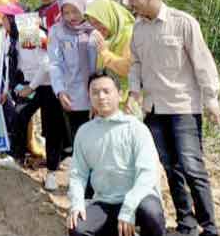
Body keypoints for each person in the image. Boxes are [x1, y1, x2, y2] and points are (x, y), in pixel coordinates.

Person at [123, 0, 220, 236]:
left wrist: (211, 99)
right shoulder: (138, 29)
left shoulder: (183, 23)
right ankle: (186, 224)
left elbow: (202, 62)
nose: (128, 2)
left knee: (192, 168)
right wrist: (133, 91)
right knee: (171, 168)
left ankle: (210, 228)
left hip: (183, 107)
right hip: (153, 109)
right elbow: (136, 64)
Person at [67, 72, 165, 236]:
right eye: (95, 92)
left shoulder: (136, 128)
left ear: (119, 95)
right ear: (89, 97)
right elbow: (78, 174)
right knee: (77, 227)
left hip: (138, 200)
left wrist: (129, 208)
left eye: (106, 91)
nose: (101, 97)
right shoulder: (84, 132)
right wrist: (77, 203)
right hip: (105, 202)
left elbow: (147, 174)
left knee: (151, 212)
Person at [0, 3, 64, 175]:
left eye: (5, 17)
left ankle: (52, 171)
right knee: (19, 115)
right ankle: (16, 157)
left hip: (48, 85)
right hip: (29, 83)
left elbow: (46, 64)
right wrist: (6, 91)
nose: (2, 20)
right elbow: (11, 64)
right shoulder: (10, 38)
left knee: (51, 128)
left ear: (14, 20)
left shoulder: (31, 32)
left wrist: (31, 88)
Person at [48, 0, 98, 191]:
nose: (71, 17)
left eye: (75, 11)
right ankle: (84, 189)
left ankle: (99, 187)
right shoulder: (57, 31)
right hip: (73, 96)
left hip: (100, 95)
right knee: (80, 142)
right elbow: (55, 64)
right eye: (66, 12)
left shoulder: (96, 28)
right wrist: (60, 91)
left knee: (98, 143)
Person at [84, 0, 134, 99]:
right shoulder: (110, 36)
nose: (97, 28)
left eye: (98, 22)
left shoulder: (130, 34)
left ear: (109, 17)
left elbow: (128, 68)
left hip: (126, 100)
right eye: (92, 24)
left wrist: (105, 53)